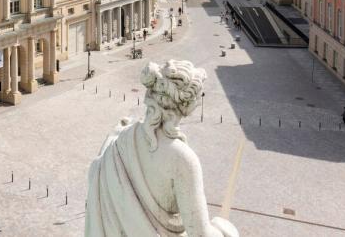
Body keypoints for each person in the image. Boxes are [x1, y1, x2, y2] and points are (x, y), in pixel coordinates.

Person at [86, 60, 238, 237]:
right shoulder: (183, 159)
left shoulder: (124, 138)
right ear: (187, 104)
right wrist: (225, 230)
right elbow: (200, 234)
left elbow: (97, 170)